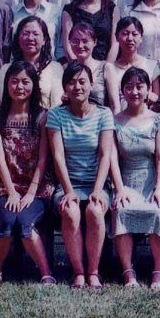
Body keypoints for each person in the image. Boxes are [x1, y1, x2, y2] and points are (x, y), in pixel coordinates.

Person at [44, 61, 114, 287]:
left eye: (82, 81)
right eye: (72, 82)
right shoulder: (56, 115)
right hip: (68, 184)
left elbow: (105, 155)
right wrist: (68, 190)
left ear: (91, 84)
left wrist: (97, 190)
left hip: (97, 183)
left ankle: (93, 271)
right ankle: (78, 272)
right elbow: (58, 156)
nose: (77, 87)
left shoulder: (104, 114)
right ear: (65, 87)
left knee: (95, 210)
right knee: (71, 211)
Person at [0, 61, 55, 284]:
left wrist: (30, 193)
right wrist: (12, 192)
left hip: (38, 187)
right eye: (14, 81)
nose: (19, 87)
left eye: (25, 82)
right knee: (7, 221)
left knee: (25, 223)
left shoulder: (43, 117)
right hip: (9, 187)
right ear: (6, 85)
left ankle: (46, 274)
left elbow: (43, 159)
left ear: (34, 85)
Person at [108, 68, 160, 288]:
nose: (134, 92)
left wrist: (159, 187)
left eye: (139, 86)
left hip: (153, 179)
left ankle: (158, 272)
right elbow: (112, 159)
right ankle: (128, 273)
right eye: (129, 87)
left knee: (157, 210)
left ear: (148, 89)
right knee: (121, 210)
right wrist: (119, 189)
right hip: (125, 180)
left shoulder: (159, 120)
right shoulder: (113, 121)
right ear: (122, 91)